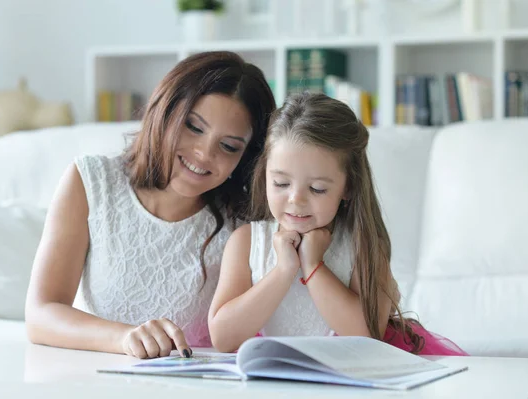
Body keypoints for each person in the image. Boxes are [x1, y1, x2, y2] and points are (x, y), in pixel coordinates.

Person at [25, 51, 276, 359]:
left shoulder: (245, 225)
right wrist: (125, 339)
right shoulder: (90, 182)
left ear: (246, 158)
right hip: (94, 381)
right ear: (164, 112)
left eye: (228, 146)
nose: (203, 153)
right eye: (193, 127)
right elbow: (41, 314)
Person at [208, 92, 468, 356]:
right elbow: (223, 337)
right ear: (265, 175)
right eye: (281, 183)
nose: (296, 200)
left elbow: (368, 336)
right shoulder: (247, 242)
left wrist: (313, 266)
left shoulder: (361, 245)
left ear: (348, 187)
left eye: (317, 188)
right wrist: (284, 270)